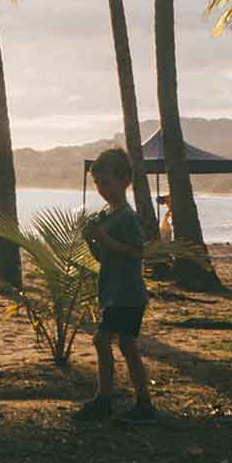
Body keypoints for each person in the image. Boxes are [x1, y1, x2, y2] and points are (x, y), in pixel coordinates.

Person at [76, 146, 155, 424]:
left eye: (107, 182)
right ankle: (122, 400)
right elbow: (104, 257)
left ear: (125, 181)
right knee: (123, 344)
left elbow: (136, 252)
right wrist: (92, 240)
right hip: (114, 292)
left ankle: (113, 399)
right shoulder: (108, 216)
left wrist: (105, 239)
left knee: (108, 342)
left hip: (128, 293)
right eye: (98, 183)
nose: (102, 189)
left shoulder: (127, 217)